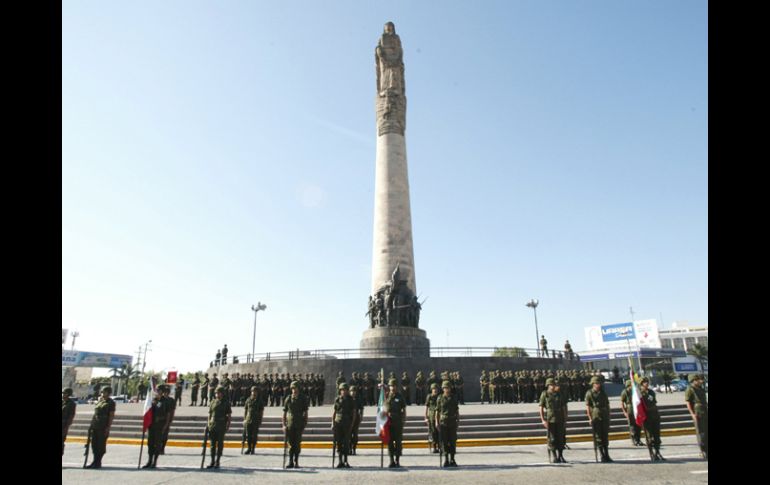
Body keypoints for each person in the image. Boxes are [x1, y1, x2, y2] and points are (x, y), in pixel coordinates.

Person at [143, 384, 173, 468]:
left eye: (159, 390)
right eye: (157, 390)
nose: (157, 391)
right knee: (150, 443)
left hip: (160, 425)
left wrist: (166, 426)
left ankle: (154, 461)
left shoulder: (166, 402)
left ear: (162, 391)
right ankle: (149, 460)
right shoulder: (153, 400)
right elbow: (148, 411)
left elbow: (168, 415)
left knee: (157, 444)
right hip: (151, 425)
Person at [86, 386, 115, 469]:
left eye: (104, 392)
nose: (102, 393)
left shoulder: (111, 402)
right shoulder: (99, 402)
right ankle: (94, 461)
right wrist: (91, 425)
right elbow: (95, 414)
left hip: (103, 426)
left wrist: (108, 427)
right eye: (102, 392)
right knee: (94, 444)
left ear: (108, 393)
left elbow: (111, 416)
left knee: (101, 445)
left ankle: (98, 462)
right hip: (95, 425)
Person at [539, 378, 568, 463]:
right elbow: (541, 407)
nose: (554, 386)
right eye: (552, 385)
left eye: (554, 385)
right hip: (550, 419)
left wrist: (565, 418)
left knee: (561, 438)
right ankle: (555, 456)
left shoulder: (559, 394)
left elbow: (563, 406)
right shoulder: (545, 394)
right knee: (552, 439)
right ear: (548, 385)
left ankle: (561, 456)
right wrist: (543, 420)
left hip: (560, 418)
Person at [586, 376, 612, 462]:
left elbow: (607, 404)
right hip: (596, 416)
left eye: (599, 383)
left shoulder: (603, 392)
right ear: (593, 384)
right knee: (598, 436)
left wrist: (608, 415)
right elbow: (588, 407)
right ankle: (602, 455)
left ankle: (607, 454)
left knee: (605, 436)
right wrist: (590, 418)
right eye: (596, 383)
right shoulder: (589, 393)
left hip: (604, 415)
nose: (598, 385)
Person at [283, 381, 309, 468]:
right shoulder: (288, 398)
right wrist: (283, 425)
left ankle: (296, 461)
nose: (294, 390)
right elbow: (284, 412)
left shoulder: (303, 398)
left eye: (295, 388)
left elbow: (305, 412)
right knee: (290, 443)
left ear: (298, 388)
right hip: (290, 424)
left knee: (297, 443)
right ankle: (290, 461)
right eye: (292, 388)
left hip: (299, 424)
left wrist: (304, 423)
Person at [332, 383, 357, 468]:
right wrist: (332, 423)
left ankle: (346, 460)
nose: (343, 391)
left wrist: (352, 424)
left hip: (347, 423)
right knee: (338, 442)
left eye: (345, 390)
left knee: (346, 442)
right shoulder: (337, 399)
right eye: (342, 390)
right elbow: (334, 412)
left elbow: (354, 413)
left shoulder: (351, 400)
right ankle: (340, 461)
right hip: (338, 422)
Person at [206, 386, 231, 468]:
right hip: (213, 425)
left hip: (221, 425)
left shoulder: (226, 402)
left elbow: (229, 415)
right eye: (216, 393)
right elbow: (210, 414)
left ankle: (218, 461)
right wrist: (208, 423)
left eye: (219, 393)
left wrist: (228, 425)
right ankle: (212, 461)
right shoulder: (212, 402)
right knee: (212, 444)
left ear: (222, 393)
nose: (217, 394)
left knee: (220, 444)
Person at [639, 377, 664, 460]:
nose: (646, 383)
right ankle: (651, 453)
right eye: (644, 382)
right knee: (649, 437)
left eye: (647, 382)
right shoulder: (639, 393)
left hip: (655, 415)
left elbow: (654, 402)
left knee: (657, 436)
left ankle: (658, 452)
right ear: (641, 383)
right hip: (647, 417)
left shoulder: (651, 392)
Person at [684, 373, 708, 460]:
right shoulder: (690, 389)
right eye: (697, 380)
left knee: (706, 431)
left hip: (705, 410)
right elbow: (688, 403)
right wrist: (692, 414)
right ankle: (703, 450)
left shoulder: (701, 388)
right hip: (698, 412)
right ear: (693, 380)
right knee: (701, 432)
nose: (700, 381)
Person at [436, 380, 459, 467]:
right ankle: (446, 459)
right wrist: (436, 422)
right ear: (443, 389)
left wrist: (458, 422)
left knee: (453, 441)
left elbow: (457, 411)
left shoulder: (454, 397)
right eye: (445, 388)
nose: (447, 389)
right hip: (443, 423)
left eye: (448, 388)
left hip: (452, 422)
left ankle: (452, 459)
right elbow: (437, 411)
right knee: (444, 441)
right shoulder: (440, 398)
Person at [386, 377, 406, 467]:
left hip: (398, 422)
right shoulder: (386, 396)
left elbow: (403, 409)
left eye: (394, 386)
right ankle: (391, 460)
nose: (392, 387)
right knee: (390, 442)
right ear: (389, 387)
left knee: (398, 442)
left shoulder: (400, 396)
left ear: (396, 387)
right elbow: (383, 409)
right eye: (391, 386)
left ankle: (397, 460)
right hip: (389, 423)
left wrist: (403, 420)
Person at [620, 379, 644, 446]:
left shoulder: (635, 391)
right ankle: (634, 440)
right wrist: (624, 412)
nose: (632, 386)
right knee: (632, 426)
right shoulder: (624, 392)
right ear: (628, 385)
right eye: (631, 385)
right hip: (630, 409)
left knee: (638, 425)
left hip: (636, 408)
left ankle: (639, 439)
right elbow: (622, 403)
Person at [243, 386, 264, 454]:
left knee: (254, 435)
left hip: (256, 420)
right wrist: (244, 419)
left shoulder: (260, 400)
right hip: (248, 419)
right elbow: (246, 410)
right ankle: (249, 448)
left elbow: (261, 411)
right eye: (253, 391)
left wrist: (260, 420)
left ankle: (253, 449)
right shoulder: (248, 400)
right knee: (248, 435)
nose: (254, 393)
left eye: (255, 391)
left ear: (257, 392)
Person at [159, 384, 176, 454]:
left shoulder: (171, 400)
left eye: (167, 392)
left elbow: (172, 411)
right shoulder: (160, 399)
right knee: (159, 435)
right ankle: (159, 448)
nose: (166, 393)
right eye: (164, 392)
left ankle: (162, 448)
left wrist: (170, 420)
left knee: (165, 435)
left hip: (167, 420)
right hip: (159, 420)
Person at [424, 382, 440, 453]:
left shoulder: (440, 397)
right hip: (431, 417)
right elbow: (426, 407)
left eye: (436, 389)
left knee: (439, 432)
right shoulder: (429, 397)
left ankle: (440, 446)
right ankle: (434, 447)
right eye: (433, 389)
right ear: (431, 389)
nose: (435, 390)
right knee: (433, 432)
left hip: (439, 417)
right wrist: (425, 417)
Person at [350, 385, 364, 455]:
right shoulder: (348, 399)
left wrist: (361, 416)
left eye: (354, 391)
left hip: (356, 419)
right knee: (348, 435)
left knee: (355, 435)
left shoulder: (358, 399)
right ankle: (349, 449)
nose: (353, 393)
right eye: (352, 391)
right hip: (349, 419)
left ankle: (354, 448)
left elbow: (361, 408)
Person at [62, 388, 77, 456]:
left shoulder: (71, 404)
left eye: (65, 393)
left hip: (64, 425)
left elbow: (71, 416)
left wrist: (66, 427)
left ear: (69, 394)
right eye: (63, 393)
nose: (63, 394)